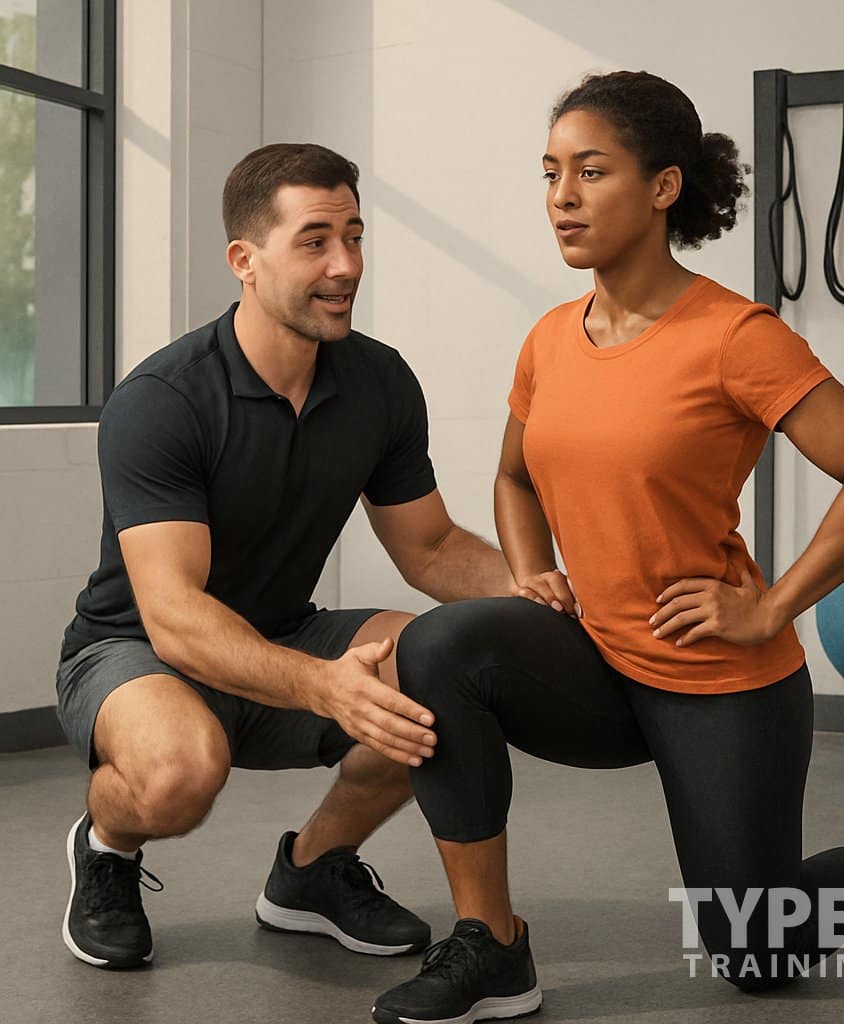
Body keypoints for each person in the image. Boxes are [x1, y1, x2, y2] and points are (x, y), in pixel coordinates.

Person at [370, 72, 844, 1024]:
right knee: (438, 648)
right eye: (550, 173)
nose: (562, 198)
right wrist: (532, 573)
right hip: (596, 664)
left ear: (662, 188)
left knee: (756, 955)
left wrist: (770, 608)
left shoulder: (736, 336)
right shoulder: (548, 341)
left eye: (591, 171)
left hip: (715, 678)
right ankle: (493, 945)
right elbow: (515, 476)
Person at [55, 142, 516, 970]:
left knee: (447, 675)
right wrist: (323, 685)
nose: (345, 265)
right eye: (314, 241)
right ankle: (107, 847)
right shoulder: (162, 401)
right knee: (179, 773)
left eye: (354, 236)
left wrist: (544, 590)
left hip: (283, 633)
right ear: (246, 259)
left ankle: (311, 871)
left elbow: (433, 547)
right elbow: (172, 613)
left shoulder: (379, 382)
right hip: (135, 651)